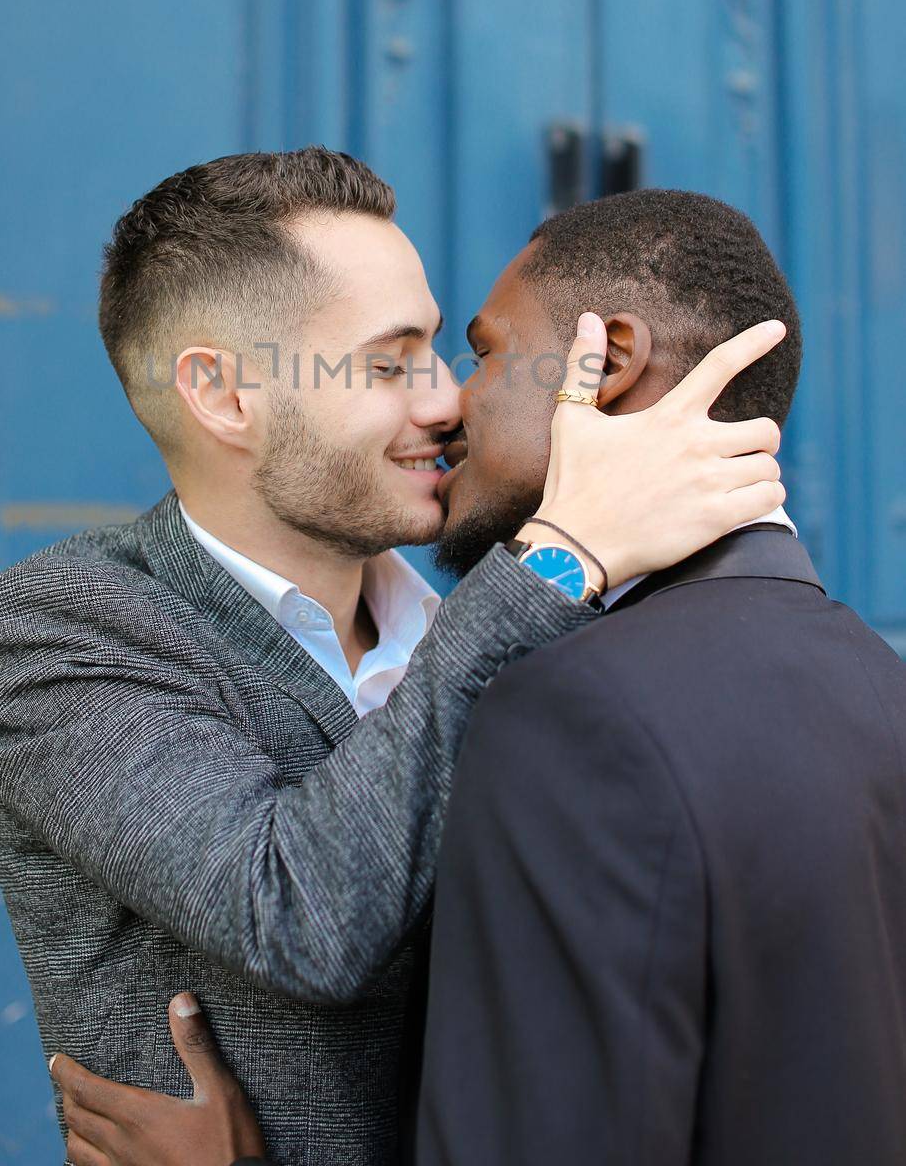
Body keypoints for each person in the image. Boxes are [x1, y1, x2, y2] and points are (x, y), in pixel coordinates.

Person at [53, 187, 906, 1166]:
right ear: (221, 391)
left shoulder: (569, 699)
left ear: (607, 363)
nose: (445, 400)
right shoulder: (870, 681)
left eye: (479, 353)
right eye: (388, 363)